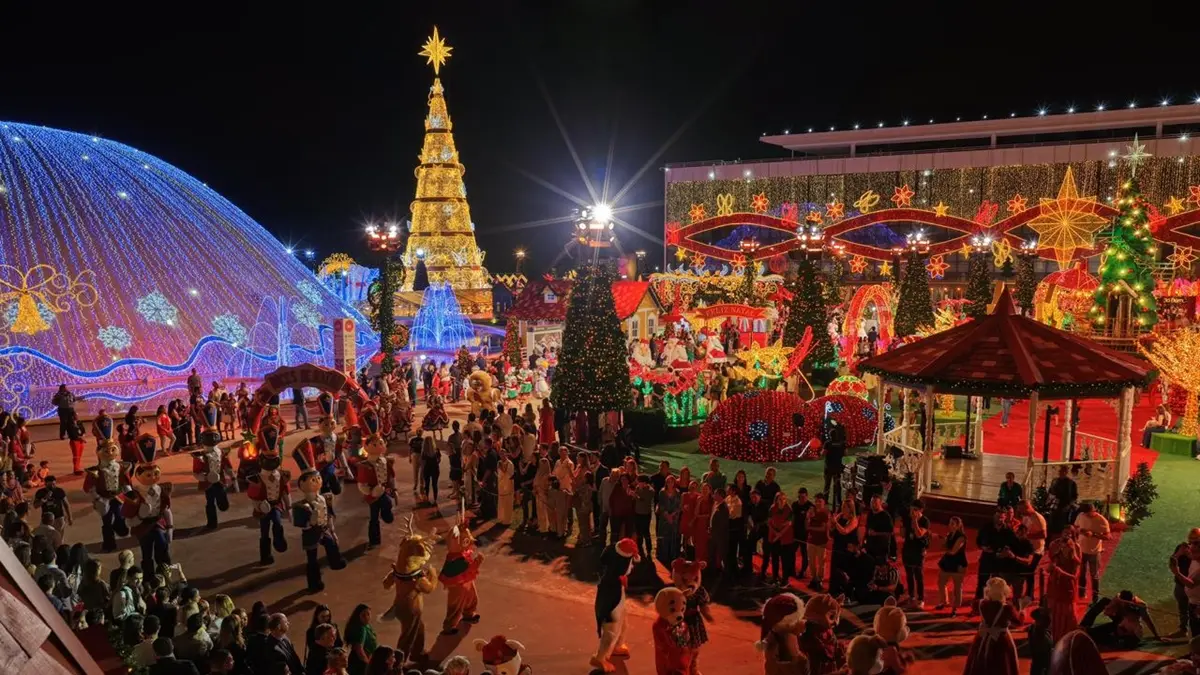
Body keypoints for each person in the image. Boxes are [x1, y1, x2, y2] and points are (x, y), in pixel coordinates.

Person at [962, 578, 1022, 675]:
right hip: (1000, 640)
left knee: (978, 662)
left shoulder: (979, 604)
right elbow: (1018, 622)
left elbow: (974, 606)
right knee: (1002, 666)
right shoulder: (1007, 608)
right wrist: (1022, 611)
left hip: (982, 637)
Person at [1080, 590, 1164, 647]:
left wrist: (1157, 636)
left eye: (1125, 603)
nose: (1123, 604)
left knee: (1103, 637)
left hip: (1127, 624)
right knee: (1105, 601)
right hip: (1120, 619)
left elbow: (1148, 621)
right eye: (1122, 602)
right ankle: (1084, 625)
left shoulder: (1140, 605)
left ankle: (1096, 634)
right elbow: (1107, 612)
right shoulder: (1118, 598)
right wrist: (1112, 607)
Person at [1046, 528, 1082, 642]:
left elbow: (1075, 576)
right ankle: (1055, 636)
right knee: (1055, 611)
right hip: (1056, 586)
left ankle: (1067, 636)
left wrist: (1061, 572)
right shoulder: (1057, 552)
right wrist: (1053, 567)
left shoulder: (1075, 555)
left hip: (1068, 587)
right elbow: (1049, 568)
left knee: (1068, 612)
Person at [1074, 503, 1110, 603]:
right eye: (1085, 513)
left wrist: (1093, 534)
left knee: (1094, 575)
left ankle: (1095, 598)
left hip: (1094, 552)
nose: (1086, 515)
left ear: (1094, 511)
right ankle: (1081, 594)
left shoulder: (1101, 520)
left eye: (1088, 513)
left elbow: (1108, 537)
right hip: (1081, 550)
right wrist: (1080, 530)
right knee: (1082, 573)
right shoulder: (1081, 516)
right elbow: (1076, 527)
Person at [1169, 529, 1200, 639]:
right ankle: (1183, 630)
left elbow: (1192, 583)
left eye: (1195, 541)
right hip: (1182, 585)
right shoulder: (1183, 548)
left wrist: (1177, 573)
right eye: (1191, 541)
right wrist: (1179, 554)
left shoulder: (1195, 556)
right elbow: (1172, 560)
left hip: (1194, 595)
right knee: (1184, 609)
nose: (1192, 545)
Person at [935, 516, 968, 615]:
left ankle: (955, 608)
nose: (949, 525)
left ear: (958, 526)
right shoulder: (949, 535)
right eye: (949, 523)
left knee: (957, 587)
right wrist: (944, 541)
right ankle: (944, 601)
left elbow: (953, 551)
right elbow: (943, 547)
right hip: (947, 562)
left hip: (958, 564)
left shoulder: (961, 537)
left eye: (952, 524)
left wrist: (946, 548)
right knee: (941, 582)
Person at [901, 499, 930, 609]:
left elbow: (919, 534)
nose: (912, 511)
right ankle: (911, 595)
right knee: (909, 575)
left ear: (921, 510)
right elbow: (902, 534)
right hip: (907, 549)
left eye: (915, 509)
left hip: (918, 551)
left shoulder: (924, 521)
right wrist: (903, 524)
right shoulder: (907, 518)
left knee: (918, 576)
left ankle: (921, 598)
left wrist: (914, 521)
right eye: (911, 509)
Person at [805, 493, 830, 591]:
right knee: (811, 561)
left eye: (820, 501)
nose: (817, 503)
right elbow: (806, 526)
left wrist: (810, 527)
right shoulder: (812, 511)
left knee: (821, 562)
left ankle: (819, 580)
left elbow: (823, 529)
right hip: (811, 540)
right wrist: (808, 517)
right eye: (816, 501)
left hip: (821, 542)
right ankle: (813, 578)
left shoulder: (825, 513)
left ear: (824, 502)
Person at [342, 605, 377, 675]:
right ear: (358, 616)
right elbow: (359, 650)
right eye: (363, 615)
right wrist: (368, 664)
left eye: (368, 614)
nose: (366, 617)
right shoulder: (361, 629)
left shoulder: (366, 626)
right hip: (360, 663)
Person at [822, 419, 847, 509]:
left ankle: (825, 500)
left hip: (829, 467)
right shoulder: (841, 443)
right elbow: (845, 453)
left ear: (830, 435)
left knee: (827, 484)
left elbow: (823, 453)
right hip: (837, 467)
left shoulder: (827, 443)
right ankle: (838, 500)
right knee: (837, 484)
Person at [865, 495, 893, 563]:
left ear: (880, 503)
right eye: (871, 502)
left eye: (875, 502)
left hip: (881, 549)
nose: (873, 504)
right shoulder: (870, 514)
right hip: (870, 547)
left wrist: (876, 533)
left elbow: (890, 533)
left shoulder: (886, 516)